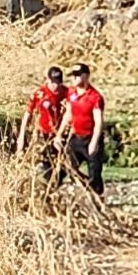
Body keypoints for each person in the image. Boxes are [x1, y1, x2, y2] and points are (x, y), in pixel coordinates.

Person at [54, 63, 107, 196]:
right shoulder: (71, 93)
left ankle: (98, 199)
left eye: (77, 75)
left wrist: (94, 143)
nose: (74, 78)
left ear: (86, 76)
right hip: (77, 137)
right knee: (64, 166)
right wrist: (59, 134)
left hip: (90, 137)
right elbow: (69, 114)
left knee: (95, 172)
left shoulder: (95, 97)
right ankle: (49, 193)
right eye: (73, 76)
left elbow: (98, 122)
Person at [16, 66, 69, 180]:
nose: (55, 85)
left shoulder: (67, 93)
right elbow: (28, 114)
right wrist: (21, 136)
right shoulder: (40, 94)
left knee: (62, 164)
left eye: (58, 82)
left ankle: (56, 183)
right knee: (44, 163)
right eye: (53, 82)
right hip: (43, 134)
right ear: (48, 80)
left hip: (60, 133)